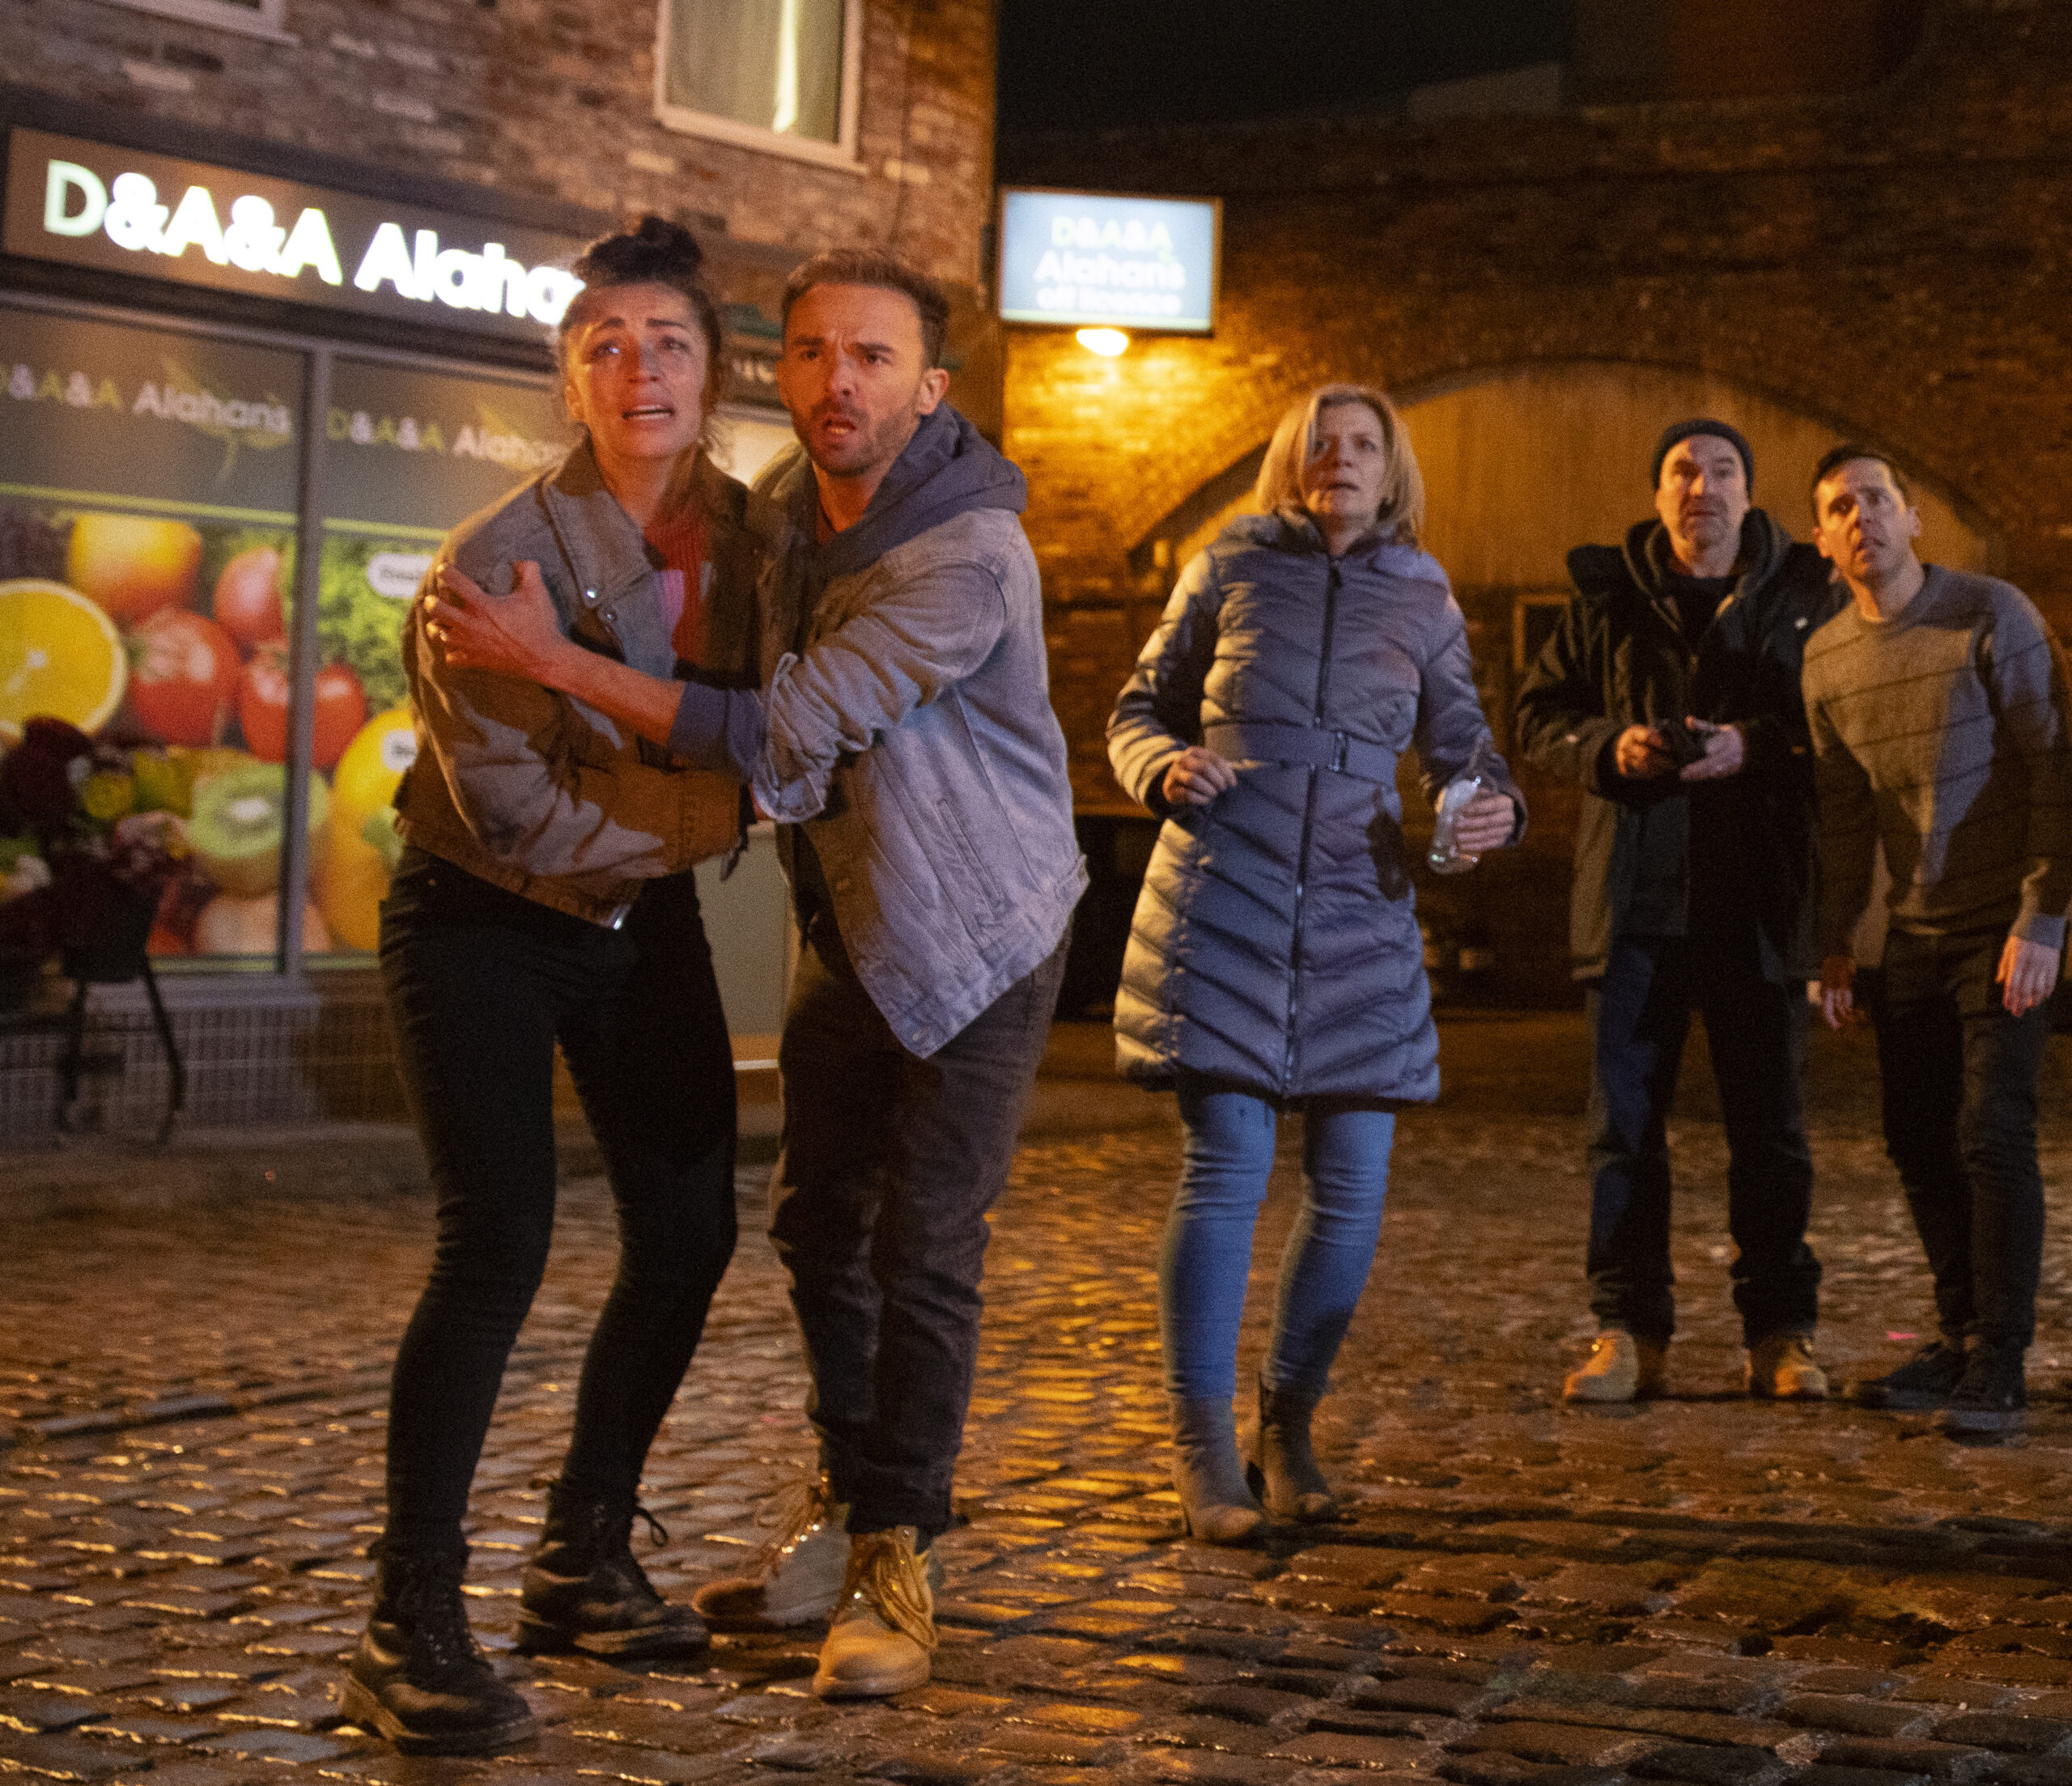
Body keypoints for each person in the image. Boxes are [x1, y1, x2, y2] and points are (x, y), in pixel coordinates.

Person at [424, 248, 1085, 1699]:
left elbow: (790, 727)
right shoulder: (783, 518)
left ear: (930, 387)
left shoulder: (966, 551)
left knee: (927, 1243)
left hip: (980, 931)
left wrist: (558, 663)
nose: (836, 380)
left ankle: (901, 1556)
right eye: (810, 353)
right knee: (811, 1223)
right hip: (851, 917)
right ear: (776, 371)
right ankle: (853, 1500)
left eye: (870, 357)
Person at [346, 216, 775, 1756]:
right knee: (498, 1241)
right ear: (569, 377)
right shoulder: (495, 556)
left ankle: (582, 1555)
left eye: (667, 341)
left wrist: (712, 757)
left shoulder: (760, 544)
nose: (639, 367)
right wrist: (719, 777)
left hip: (639, 921)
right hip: (480, 917)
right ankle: (406, 1619)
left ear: (712, 369)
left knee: (692, 1224)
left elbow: (795, 723)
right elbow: (518, 804)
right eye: (606, 344)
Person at [1106, 385, 1524, 1540]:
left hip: (1358, 905)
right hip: (1223, 893)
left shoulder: (1424, 592)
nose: (1338, 460)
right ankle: (1203, 1458)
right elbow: (1136, 708)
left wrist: (1488, 810)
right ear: (1290, 463)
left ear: (1392, 472)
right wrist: (1159, 765)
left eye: (1361, 447)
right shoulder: (1226, 566)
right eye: (1319, 444)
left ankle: (1286, 1427)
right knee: (1227, 1165)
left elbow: (1466, 753)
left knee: (1352, 1183)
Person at [1517, 419, 1842, 1405]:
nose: (1701, 486)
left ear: (1749, 491)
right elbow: (1538, 718)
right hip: (1634, 905)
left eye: (1721, 470)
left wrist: (1761, 746)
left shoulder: (1804, 594)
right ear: (1658, 495)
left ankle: (1779, 1333)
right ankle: (1627, 1331)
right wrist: (1608, 749)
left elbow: (1837, 723)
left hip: (1755, 902)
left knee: (1770, 1131)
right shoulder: (1604, 597)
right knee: (1623, 1133)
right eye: (1681, 471)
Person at [1804, 446, 2072, 1436]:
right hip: (1910, 928)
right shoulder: (1825, 658)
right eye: (1840, 506)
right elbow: (1842, 815)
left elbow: (2055, 764)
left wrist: (2043, 919)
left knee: (1990, 1129)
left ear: (1913, 518)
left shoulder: (1991, 611)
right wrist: (1835, 940)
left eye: (1877, 498)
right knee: (1914, 1136)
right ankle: (1959, 1333)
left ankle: (2001, 1359)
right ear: (1823, 541)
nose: (1861, 515)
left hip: (2006, 924)